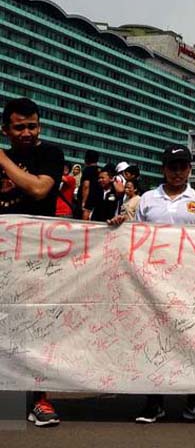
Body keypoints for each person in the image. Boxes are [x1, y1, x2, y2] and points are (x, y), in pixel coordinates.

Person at [108, 144, 195, 424]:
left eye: (183, 166)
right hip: (153, 280)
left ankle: (194, 400)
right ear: (163, 169)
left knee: (193, 339)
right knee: (155, 339)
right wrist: (119, 224)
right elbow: (134, 236)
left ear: (190, 169)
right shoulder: (147, 199)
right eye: (173, 167)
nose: (178, 172)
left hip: (189, 280)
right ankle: (154, 401)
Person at [0, 97, 65, 427]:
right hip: (3, 258)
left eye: (32, 126)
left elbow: (39, 190)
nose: (27, 132)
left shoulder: (50, 154)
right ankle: (7, 400)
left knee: (36, 328)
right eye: (19, 127)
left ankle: (40, 399)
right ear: (6, 130)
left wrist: (0, 158)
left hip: (38, 259)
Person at [79, 150, 99, 220]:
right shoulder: (99, 171)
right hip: (96, 200)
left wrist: (84, 201)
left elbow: (86, 186)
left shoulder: (87, 170)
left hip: (88, 200)